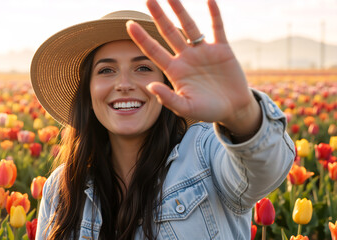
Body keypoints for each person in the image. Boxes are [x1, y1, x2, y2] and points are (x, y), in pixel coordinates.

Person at [30, 0, 295, 239]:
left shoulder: (206, 155)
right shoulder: (61, 188)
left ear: (169, 84)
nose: (123, 84)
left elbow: (266, 168)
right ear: (88, 90)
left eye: (143, 68)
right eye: (106, 70)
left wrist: (240, 113)